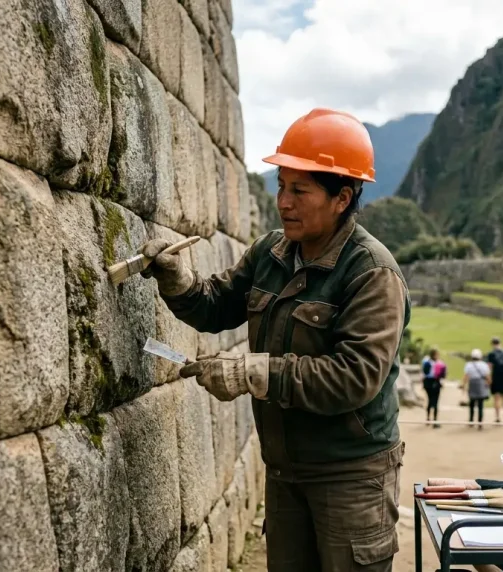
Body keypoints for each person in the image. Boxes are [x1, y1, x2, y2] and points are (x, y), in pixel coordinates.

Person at [137, 107, 409, 572]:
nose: (284, 201)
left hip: (351, 476)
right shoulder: (271, 252)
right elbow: (215, 305)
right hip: (285, 473)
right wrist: (178, 280)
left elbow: (354, 378)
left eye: (299, 190)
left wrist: (251, 372)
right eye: (281, 185)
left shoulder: (371, 274)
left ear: (342, 198)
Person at [462, 348, 490, 429]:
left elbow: (466, 376)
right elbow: (488, 376)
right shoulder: (484, 365)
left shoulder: (469, 365)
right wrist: (488, 384)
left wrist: (463, 385)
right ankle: (480, 423)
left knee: (472, 404)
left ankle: (471, 421)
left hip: (472, 384)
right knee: (480, 405)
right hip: (481, 384)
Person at [421, 348, 442, 428]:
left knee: (430, 401)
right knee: (435, 402)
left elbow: (424, 372)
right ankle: (435, 420)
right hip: (434, 382)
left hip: (428, 383)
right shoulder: (438, 363)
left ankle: (428, 418)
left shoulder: (426, 362)